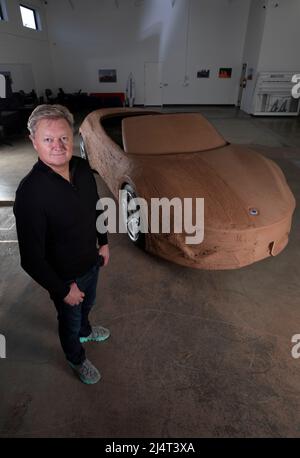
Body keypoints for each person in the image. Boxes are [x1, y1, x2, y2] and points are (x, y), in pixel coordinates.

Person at [13, 104, 109, 385]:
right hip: (64, 277)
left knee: (87, 305)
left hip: (91, 262)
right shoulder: (31, 193)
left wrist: (103, 243)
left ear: (73, 138)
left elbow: (97, 207)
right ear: (33, 142)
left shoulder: (80, 168)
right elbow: (30, 258)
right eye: (48, 139)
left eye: (64, 138)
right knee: (69, 321)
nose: (57, 146)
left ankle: (86, 329)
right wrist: (63, 289)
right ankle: (75, 357)